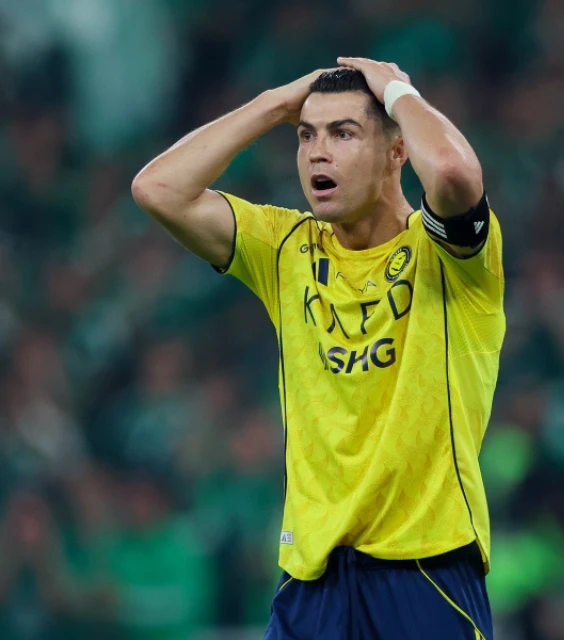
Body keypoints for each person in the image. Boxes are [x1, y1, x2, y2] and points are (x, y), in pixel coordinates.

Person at [131, 58, 502, 639]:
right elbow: (157, 189)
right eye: (307, 136)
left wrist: (398, 91)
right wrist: (276, 104)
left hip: (425, 570)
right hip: (311, 580)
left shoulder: (450, 255)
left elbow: (454, 172)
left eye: (343, 134)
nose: (317, 154)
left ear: (397, 151)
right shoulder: (285, 247)